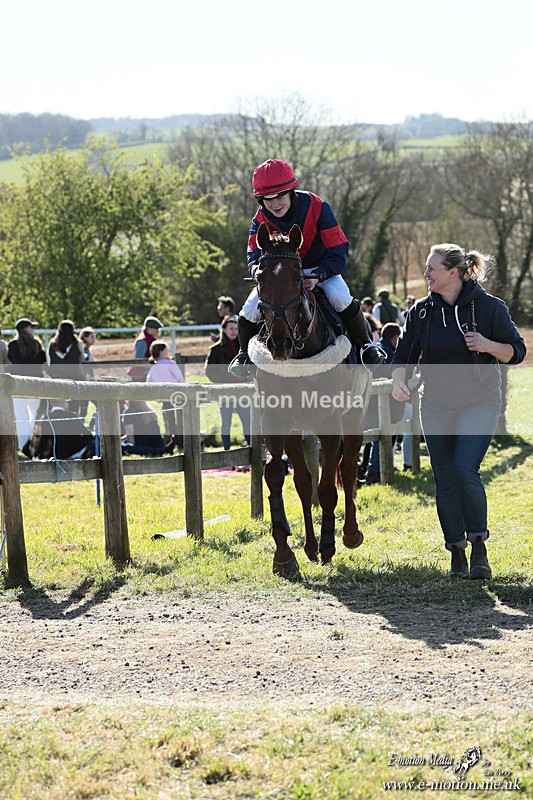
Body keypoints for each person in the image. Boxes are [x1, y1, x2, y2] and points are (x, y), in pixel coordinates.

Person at [391, 243, 526, 580]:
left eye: (431, 269)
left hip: (479, 402)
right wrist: (397, 380)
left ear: (453, 272)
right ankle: (456, 553)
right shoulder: (421, 313)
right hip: (435, 405)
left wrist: (488, 345)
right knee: (445, 480)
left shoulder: (489, 308)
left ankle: (479, 547)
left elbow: (517, 352)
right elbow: (403, 356)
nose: (426, 275)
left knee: (465, 469)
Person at [229, 158, 382, 376]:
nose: (274, 204)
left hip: (320, 270)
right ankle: (244, 355)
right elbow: (253, 254)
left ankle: (367, 347)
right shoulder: (260, 218)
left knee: (340, 297)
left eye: (280, 196)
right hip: (280, 279)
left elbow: (339, 250)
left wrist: (319, 275)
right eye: (267, 199)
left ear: (291, 191)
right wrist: (258, 273)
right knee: (249, 311)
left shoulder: (317, 206)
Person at [364, 323, 405, 484]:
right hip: (384, 401)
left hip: (373, 399)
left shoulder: (377, 348)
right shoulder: (388, 353)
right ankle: (375, 472)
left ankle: (374, 469)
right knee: (383, 436)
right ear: (395, 338)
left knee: (378, 437)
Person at [205, 314, 251, 451]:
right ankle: (226, 450)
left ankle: (252, 450)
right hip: (225, 391)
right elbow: (210, 371)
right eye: (231, 328)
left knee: (247, 421)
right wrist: (224, 383)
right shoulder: (216, 349)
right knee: (226, 421)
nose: (233, 331)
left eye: (236, 329)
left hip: (242, 390)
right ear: (224, 329)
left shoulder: (244, 348)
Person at [7, 318, 47, 450]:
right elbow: (43, 361)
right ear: (26, 329)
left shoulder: (13, 345)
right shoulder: (36, 344)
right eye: (31, 327)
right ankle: (27, 444)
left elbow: (11, 360)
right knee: (32, 415)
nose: (33, 329)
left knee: (21, 415)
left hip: (19, 384)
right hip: (35, 384)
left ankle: (21, 444)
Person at [24, 398, 95, 460]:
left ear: (51, 403)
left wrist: (36, 455)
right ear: (64, 403)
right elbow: (88, 435)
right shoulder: (72, 415)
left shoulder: (47, 418)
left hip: (58, 453)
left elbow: (44, 440)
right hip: (76, 451)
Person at [146, 341, 185, 442]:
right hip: (175, 394)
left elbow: (149, 382)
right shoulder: (170, 363)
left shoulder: (153, 368)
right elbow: (180, 378)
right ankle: (180, 439)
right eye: (166, 350)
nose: (168, 352)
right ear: (160, 352)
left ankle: (171, 439)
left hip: (163, 396)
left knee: (168, 418)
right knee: (180, 416)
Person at [47, 320, 86, 418]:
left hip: (57, 380)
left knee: (58, 408)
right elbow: (82, 359)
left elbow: (49, 361)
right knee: (74, 408)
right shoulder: (77, 344)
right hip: (75, 380)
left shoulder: (52, 344)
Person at [128, 316, 163, 382]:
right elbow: (139, 360)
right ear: (149, 328)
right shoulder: (142, 341)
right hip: (141, 374)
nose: (158, 331)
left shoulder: (150, 339)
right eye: (156, 328)